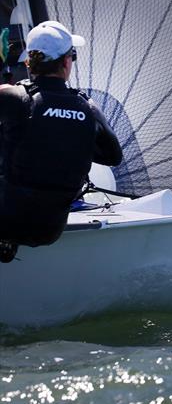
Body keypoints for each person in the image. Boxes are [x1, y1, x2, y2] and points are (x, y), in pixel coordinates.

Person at [0, 20, 122, 263]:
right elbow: (113, 157)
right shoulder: (87, 107)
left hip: (5, 221)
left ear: (29, 62)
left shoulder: (11, 97)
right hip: (48, 230)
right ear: (67, 62)